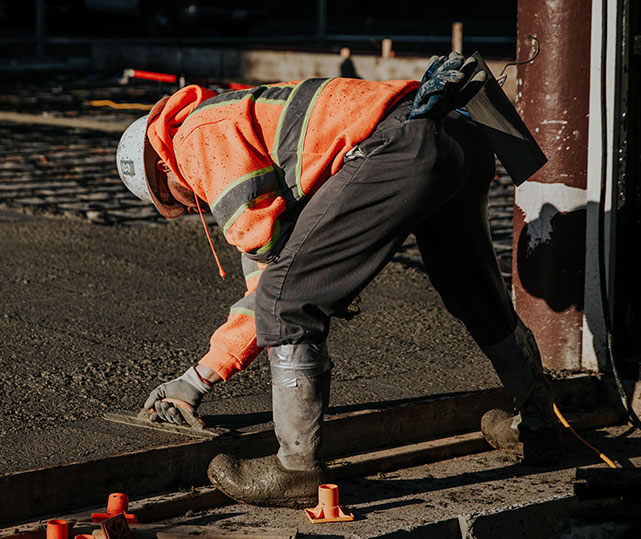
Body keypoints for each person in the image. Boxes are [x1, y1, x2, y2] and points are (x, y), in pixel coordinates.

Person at [115, 52, 561, 508]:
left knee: (288, 302)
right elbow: (274, 265)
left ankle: (295, 469)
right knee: (474, 293)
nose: (191, 208)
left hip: (400, 144)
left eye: (173, 200)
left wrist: (195, 380)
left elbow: (273, 285)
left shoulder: (197, 141)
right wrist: (202, 377)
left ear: (162, 167)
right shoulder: (238, 121)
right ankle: (540, 423)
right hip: (456, 136)